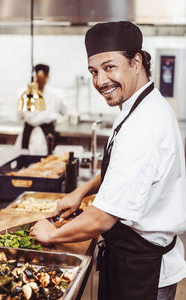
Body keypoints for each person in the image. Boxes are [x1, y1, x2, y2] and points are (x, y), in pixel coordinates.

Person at [30, 21, 186, 300]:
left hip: (143, 272)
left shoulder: (145, 124)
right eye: (93, 71)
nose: (100, 81)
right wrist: (81, 192)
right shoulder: (138, 105)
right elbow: (125, 169)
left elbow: (100, 219)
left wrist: (51, 234)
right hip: (131, 259)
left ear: (136, 62)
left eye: (109, 67)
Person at [16, 64, 68, 155]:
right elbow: (66, 113)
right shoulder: (57, 94)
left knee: (24, 163)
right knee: (44, 164)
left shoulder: (23, 92)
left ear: (34, 75)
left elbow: (19, 116)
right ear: (48, 76)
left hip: (27, 135)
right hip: (46, 136)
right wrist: (57, 118)